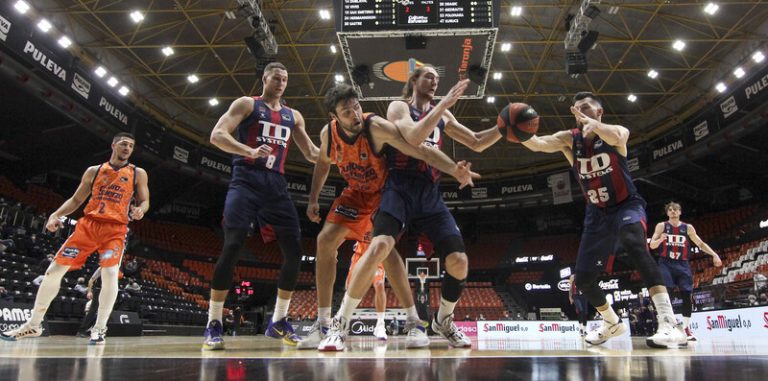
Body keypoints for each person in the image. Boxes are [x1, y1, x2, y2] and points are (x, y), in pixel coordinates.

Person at [320, 65, 499, 351]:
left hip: (429, 193)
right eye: (428, 76)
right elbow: (415, 140)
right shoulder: (398, 108)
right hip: (399, 187)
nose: (435, 81)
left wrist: (506, 128)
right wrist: (443, 106)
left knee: (459, 262)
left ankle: (444, 320)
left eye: (438, 79)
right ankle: (340, 324)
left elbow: (477, 142)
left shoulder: (444, 114)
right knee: (379, 248)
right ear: (413, 80)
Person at [519, 92, 686, 348]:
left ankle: (668, 322)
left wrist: (593, 125)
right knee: (584, 280)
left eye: (586, 107)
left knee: (634, 243)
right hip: (596, 214)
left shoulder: (615, 132)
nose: (580, 111)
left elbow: (619, 136)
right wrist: (511, 129)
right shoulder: (569, 139)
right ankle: (611, 322)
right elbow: (538, 144)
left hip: (625, 205)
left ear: (599, 112)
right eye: (576, 108)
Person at [202, 62, 319, 350]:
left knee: (295, 252)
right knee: (233, 245)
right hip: (246, 179)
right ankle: (214, 322)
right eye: (276, 78)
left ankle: (278, 321)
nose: (281, 83)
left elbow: (312, 154)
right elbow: (217, 135)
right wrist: (249, 151)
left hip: (277, 185)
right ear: (265, 78)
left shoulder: (294, 116)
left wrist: (342, 150)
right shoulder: (247, 104)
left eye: (285, 79)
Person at [1, 132, 149, 345]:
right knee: (53, 271)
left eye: (131, 146)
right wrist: (55, 215)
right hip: (88, 226)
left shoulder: (138, 173)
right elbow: (77, 199)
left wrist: (140, 211)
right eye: (124, 144)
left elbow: (145, 201)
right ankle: (33, 325)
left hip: (115, 229)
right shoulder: (94, 171)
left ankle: (99, 329)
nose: (127, 148)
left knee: (109, 274)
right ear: (114, 145)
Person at [649, 201, 722, 341]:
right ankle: (666, 326)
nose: (672, 211)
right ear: (667, 212)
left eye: (675, 209)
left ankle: (686, 328)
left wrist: (714, 254)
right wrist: (660, 240)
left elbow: (700, 243)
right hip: (666, 263)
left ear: (680, 212)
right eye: (670, 210)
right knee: (666, 294)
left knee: (687, 295)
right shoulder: (662, 226)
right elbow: (652, 245)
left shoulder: (688, 228)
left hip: (683, 264)